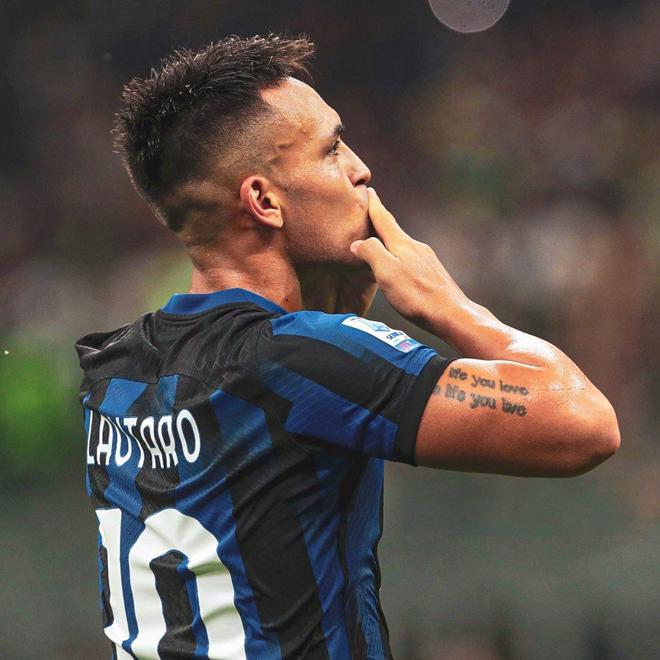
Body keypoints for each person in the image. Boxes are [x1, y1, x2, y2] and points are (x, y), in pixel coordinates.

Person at [75, 34, 620, 660]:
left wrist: (333, 321)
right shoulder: (299, 358)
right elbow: (585, 425)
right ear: (263, 200)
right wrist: (449, 306)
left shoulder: (113, 376)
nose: (361, 170)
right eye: (332, 149)